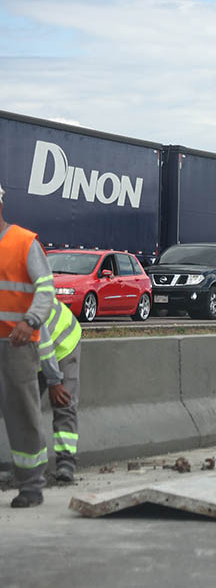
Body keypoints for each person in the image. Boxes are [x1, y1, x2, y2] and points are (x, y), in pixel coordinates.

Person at [0, 180, 54, 507]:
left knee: (22, 413)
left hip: (17, 344)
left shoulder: (23, 242)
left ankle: (32, 486)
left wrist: (30, 321)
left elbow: (46, 290)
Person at [37, 297, 81, 482]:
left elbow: (44, 346)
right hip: (33, 353)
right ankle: (31, 468)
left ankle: (66, 462)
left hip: (63, 342)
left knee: (63, 401)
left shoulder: (20, 305)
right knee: (23, 408)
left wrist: (55, 382)